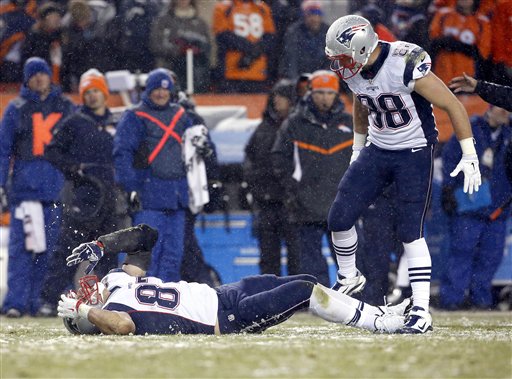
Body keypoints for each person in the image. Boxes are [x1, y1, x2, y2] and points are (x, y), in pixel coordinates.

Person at [324, 15, 481, 333]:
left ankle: (421, 310)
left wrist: (470, 154)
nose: (339, 65)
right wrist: (358, 148)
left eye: (342, 56)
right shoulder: (354, 68)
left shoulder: (403, 62)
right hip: (379, 149)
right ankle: (349, 277)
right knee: (339, 217)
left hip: (414, 152)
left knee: (411, 231)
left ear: (361, 46)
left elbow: (454, 105)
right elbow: (362, 102)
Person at [57, 224, 410, 335]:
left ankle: (381, 312)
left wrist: (103, 245)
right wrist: (85, 310)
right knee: (305, 292)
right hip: (227, 320)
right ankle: (383, 326)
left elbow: (147, 237)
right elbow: (121, 326)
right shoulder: (114, 312)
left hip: (224, 294)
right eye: (85, 298)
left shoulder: (120, 283)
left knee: (305, 278)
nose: (89, 288)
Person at [37, 69, 128, 316]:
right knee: (68, 251)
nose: (93, 97)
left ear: (105, 93)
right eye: (88, 92)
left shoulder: (116, 123)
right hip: (82, 197)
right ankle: (48, 301)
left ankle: (107, 301)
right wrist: (74, 170)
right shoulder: (74, 122)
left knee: (108, 252)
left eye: (97, 91)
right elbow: (52, 152)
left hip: (109, 198)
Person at [0, 57, 75, 317]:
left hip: (56, 191)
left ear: (49, 76)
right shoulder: (16, 108)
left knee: (53, 252)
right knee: (21, 250)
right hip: (25, 192)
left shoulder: (66, 107)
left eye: (42, 74)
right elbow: (3, 151)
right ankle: (15, 303)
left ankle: (44, 300)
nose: (39, 79)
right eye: (34, 75)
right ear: (27, 79)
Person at [272, 70, 353, 287]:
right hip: (305, 203)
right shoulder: (294, 124)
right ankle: (322, 302)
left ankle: (354, 300)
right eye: (320, 92)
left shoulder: (351, 123)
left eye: (329, 92)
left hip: (341, 202)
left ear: (336, 94)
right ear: (311, 93)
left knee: (349, 261)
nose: (324, 98)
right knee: (311, 261)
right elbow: (279, 160)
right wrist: (293, 190)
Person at [113, 68, 193, 283]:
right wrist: (130, 187)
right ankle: (128, 301)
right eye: (156, 88)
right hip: (148, 196)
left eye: (165, 89)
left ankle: (164, 305)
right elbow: (122, 153)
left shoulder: (183, 115)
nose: (161, 93)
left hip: (177, 197)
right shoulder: (134, 116)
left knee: (173, 255)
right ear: (148, 90)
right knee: (143, 255)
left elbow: (197, 147)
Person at [440, 105, 512, 310]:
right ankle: (451, 300)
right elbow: (450, 158)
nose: (505, 112)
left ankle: (480, 300)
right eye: (502, 107)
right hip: (469, 206)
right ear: (490, 108)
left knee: (491, 257)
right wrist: (448, 189)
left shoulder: (509, 134)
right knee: (461, 253)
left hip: (499, 207)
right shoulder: (470, 129)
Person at [244, 79, 301, 276]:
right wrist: (254, 186)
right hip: (267, 202)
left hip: (292, 203)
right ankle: (271, 300)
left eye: (282, 97)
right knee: (268, 257)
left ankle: (299, 298)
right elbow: (249, 158)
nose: (277, 101)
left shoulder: (300, 126)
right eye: (275, 96)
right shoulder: (264, 127)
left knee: (297, 256)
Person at [212, 0, 276, 93]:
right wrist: (252, 49)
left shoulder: (262, 7)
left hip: (258, 72)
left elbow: (270, 36)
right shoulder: (224, 7)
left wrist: (252, 54)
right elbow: (222, 35)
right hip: (231, 72)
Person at [150, 0, 211, 93]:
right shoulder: (164, 21)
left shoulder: (200, 23)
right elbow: (156, 45)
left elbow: (208, 47)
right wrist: (178, 50)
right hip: (170, 71)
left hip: (196, 74)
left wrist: (196, 50)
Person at [429, 0, 491, 85]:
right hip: (441, 73)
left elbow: (483, 52)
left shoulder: (482, 21)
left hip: (467, 77)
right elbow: (432, 40)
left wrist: (458, 45)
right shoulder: (443, 14)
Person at [278, 0, 329, 81]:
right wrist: (296, 81)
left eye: (317, 14)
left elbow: (330, 60)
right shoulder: (294, 32)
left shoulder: (328, 32)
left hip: (321, 77)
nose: (314, 18)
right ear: (305, 16)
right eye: (311, 15)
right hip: (300, 77)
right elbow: (291, 59)